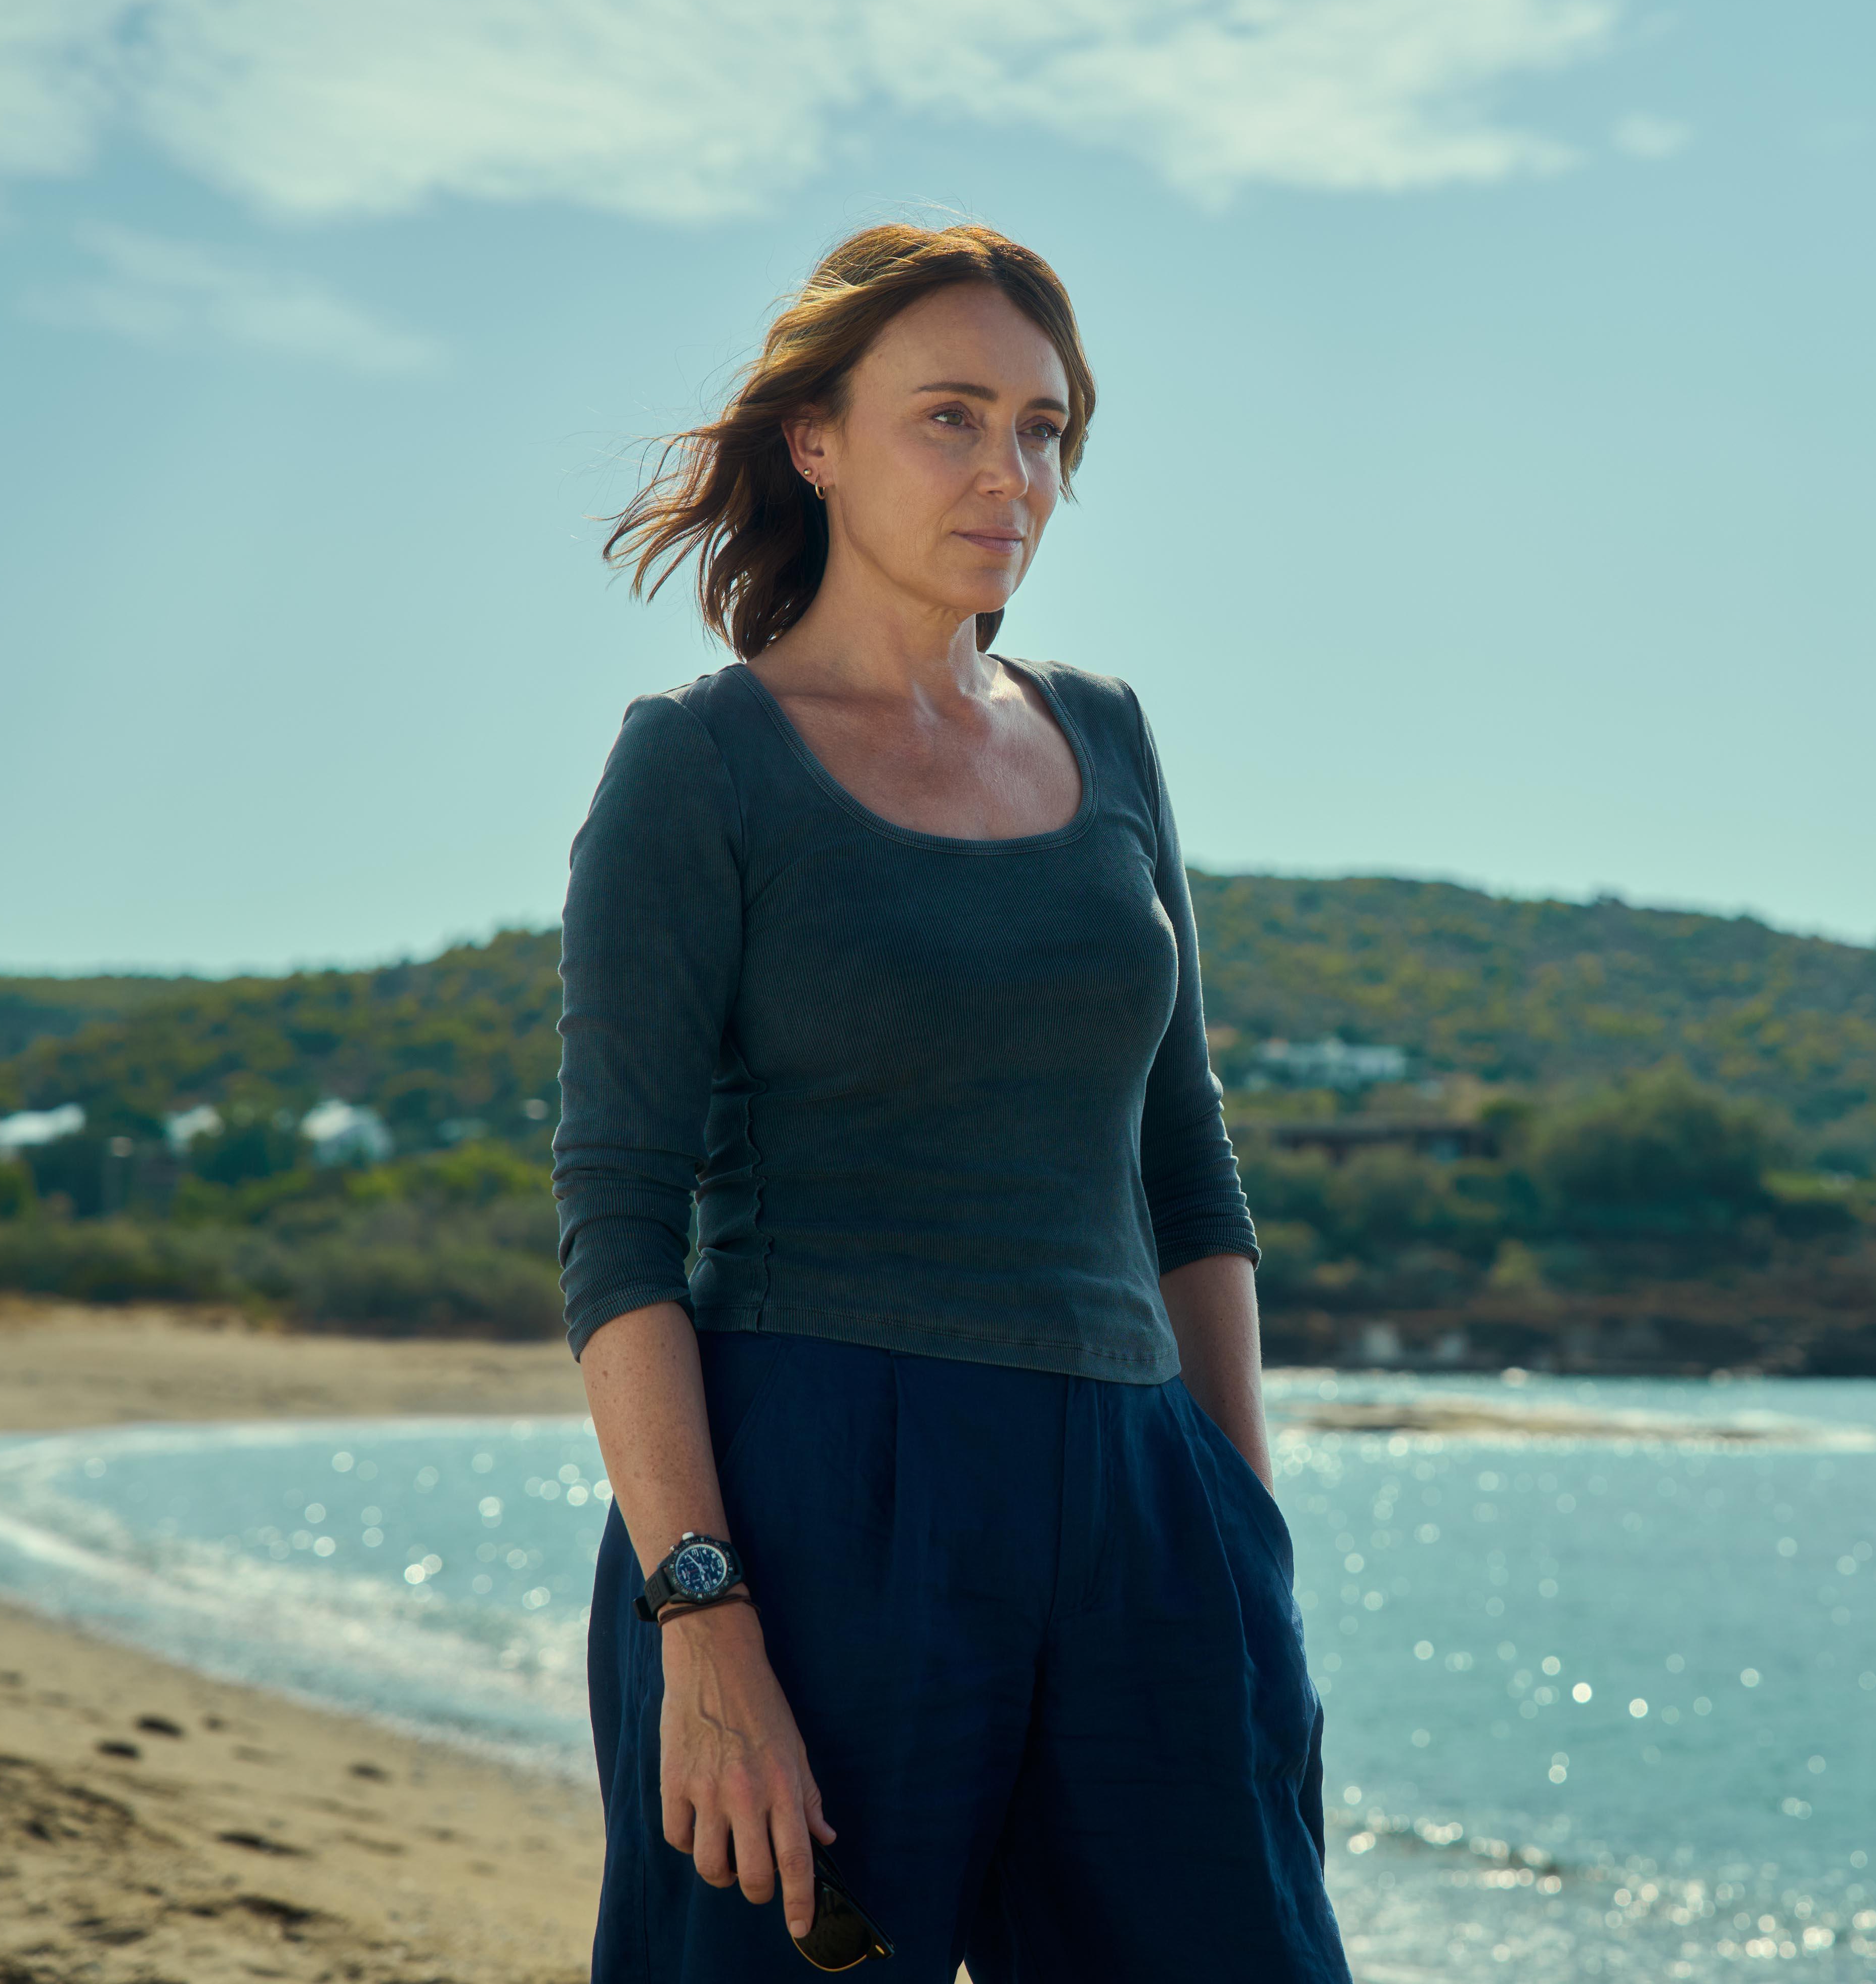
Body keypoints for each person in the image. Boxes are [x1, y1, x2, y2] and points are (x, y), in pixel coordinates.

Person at [556, 223, 1346, 1981]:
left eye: (1047, 430)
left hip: (1145, 1509)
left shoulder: (1109, 734)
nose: (1015, 473)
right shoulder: (699, 764)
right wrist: (702, 1615)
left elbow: (1184, 1168)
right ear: (814, 441)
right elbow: (617, 1218)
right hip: (820, 1509)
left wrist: (1245, 1539)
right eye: (954, 419)